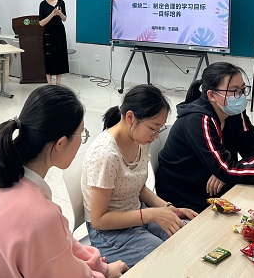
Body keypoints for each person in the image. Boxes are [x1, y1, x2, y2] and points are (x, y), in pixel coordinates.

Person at [0, 85, 128, 278]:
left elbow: (58, 243)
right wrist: (103, 273)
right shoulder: (41, 216)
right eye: (82, 134)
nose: (82, 141)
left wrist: (100, 267)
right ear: (61, 143)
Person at [155, 62, 254, 213]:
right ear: (212, 95)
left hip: (214, 188)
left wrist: (228, 173)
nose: (240, 96)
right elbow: (227, 170)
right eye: (234, 91)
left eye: (242, 90)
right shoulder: (198, 120)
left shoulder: (233, 112)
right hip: (184, 196)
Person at [81, 85, 196, 268]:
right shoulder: (106, 154)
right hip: (108, 232)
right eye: (153, 128)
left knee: (189, 235)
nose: (156, 136)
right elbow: (99, 220)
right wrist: (151, 214)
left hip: (137, 214)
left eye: (159, 129)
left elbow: (137, 188)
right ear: (130, 117)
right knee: (167, 257)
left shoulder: (140, 139)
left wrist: (169, 209)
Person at [38, 0, 69, 85]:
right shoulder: (43, 4)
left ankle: (58, 83)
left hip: (59, 31)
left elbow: (64, 19)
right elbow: (41, 23)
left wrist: (60, 14)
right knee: (49, 57)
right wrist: (52, 14)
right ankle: (49, 83)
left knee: (60, 56)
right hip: (48, 33)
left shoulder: (61, 2)